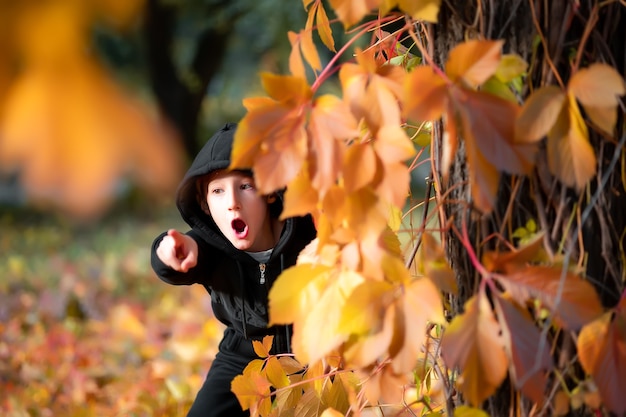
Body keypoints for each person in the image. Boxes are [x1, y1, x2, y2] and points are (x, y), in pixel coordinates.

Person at [150, 122, 316, 416]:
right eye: (217, 191)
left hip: (310, 355)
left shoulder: (303, 231)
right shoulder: (210, 247)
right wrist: (170, 254)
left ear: (268, 191)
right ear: (204, 203)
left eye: (245, 186)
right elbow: (184, 257)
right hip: (243, 355)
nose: (232, 204)